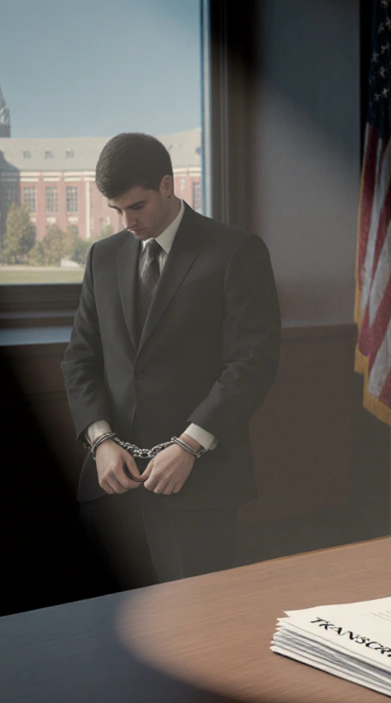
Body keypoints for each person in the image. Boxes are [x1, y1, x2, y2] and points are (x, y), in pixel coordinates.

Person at [61, 132, 280, 589]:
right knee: (104, 626)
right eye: (117, 210)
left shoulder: (236, 251)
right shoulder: (102, 256)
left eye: (136, 207)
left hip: (199, 484)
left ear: (167, 184)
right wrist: (100, 441)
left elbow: (251, 363)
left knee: (197, 628)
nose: (127, 222)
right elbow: (79, 358)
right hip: (110, 481)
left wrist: (189, 446)